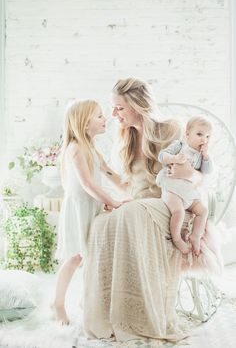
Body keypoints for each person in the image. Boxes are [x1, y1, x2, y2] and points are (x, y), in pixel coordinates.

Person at [82, 78, 222, 343]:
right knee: (103, 220)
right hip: (143, 206)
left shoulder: (171, 130)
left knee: (133, 213)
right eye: (113, 108)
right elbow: (132, 188)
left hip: (175, 204)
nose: (114, 115)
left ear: (137, 105)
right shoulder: (126, 139)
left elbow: (201, 178)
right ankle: (113, 312)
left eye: (119, 108)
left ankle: (144, 315)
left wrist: (188, 172)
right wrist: (106, 182)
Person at [52, 99, 126, 325]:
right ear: (85, 124)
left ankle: (88, 299)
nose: (106, 119)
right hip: (78, 209)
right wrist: (111, 201)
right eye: (100, 116)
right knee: (75, 257)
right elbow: (87, 184)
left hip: (91, 206)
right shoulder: (75, 149)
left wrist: (129, 189)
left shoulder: (92, 148)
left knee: (92, 256)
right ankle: (57, 303)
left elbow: (109, 173)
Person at [156, 116, 213, 256]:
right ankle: (176, 239)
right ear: (187, 134)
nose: (203, 140)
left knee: (203, 210)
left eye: (207, 136)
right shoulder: (180, 145)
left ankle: (196, 236)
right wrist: (174, 158)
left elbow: (207, 171)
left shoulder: (201, 155)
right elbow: (162, 156)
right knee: (179, 212)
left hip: (188, 192)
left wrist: (206, 156)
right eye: (199, 134)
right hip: (172, 188)